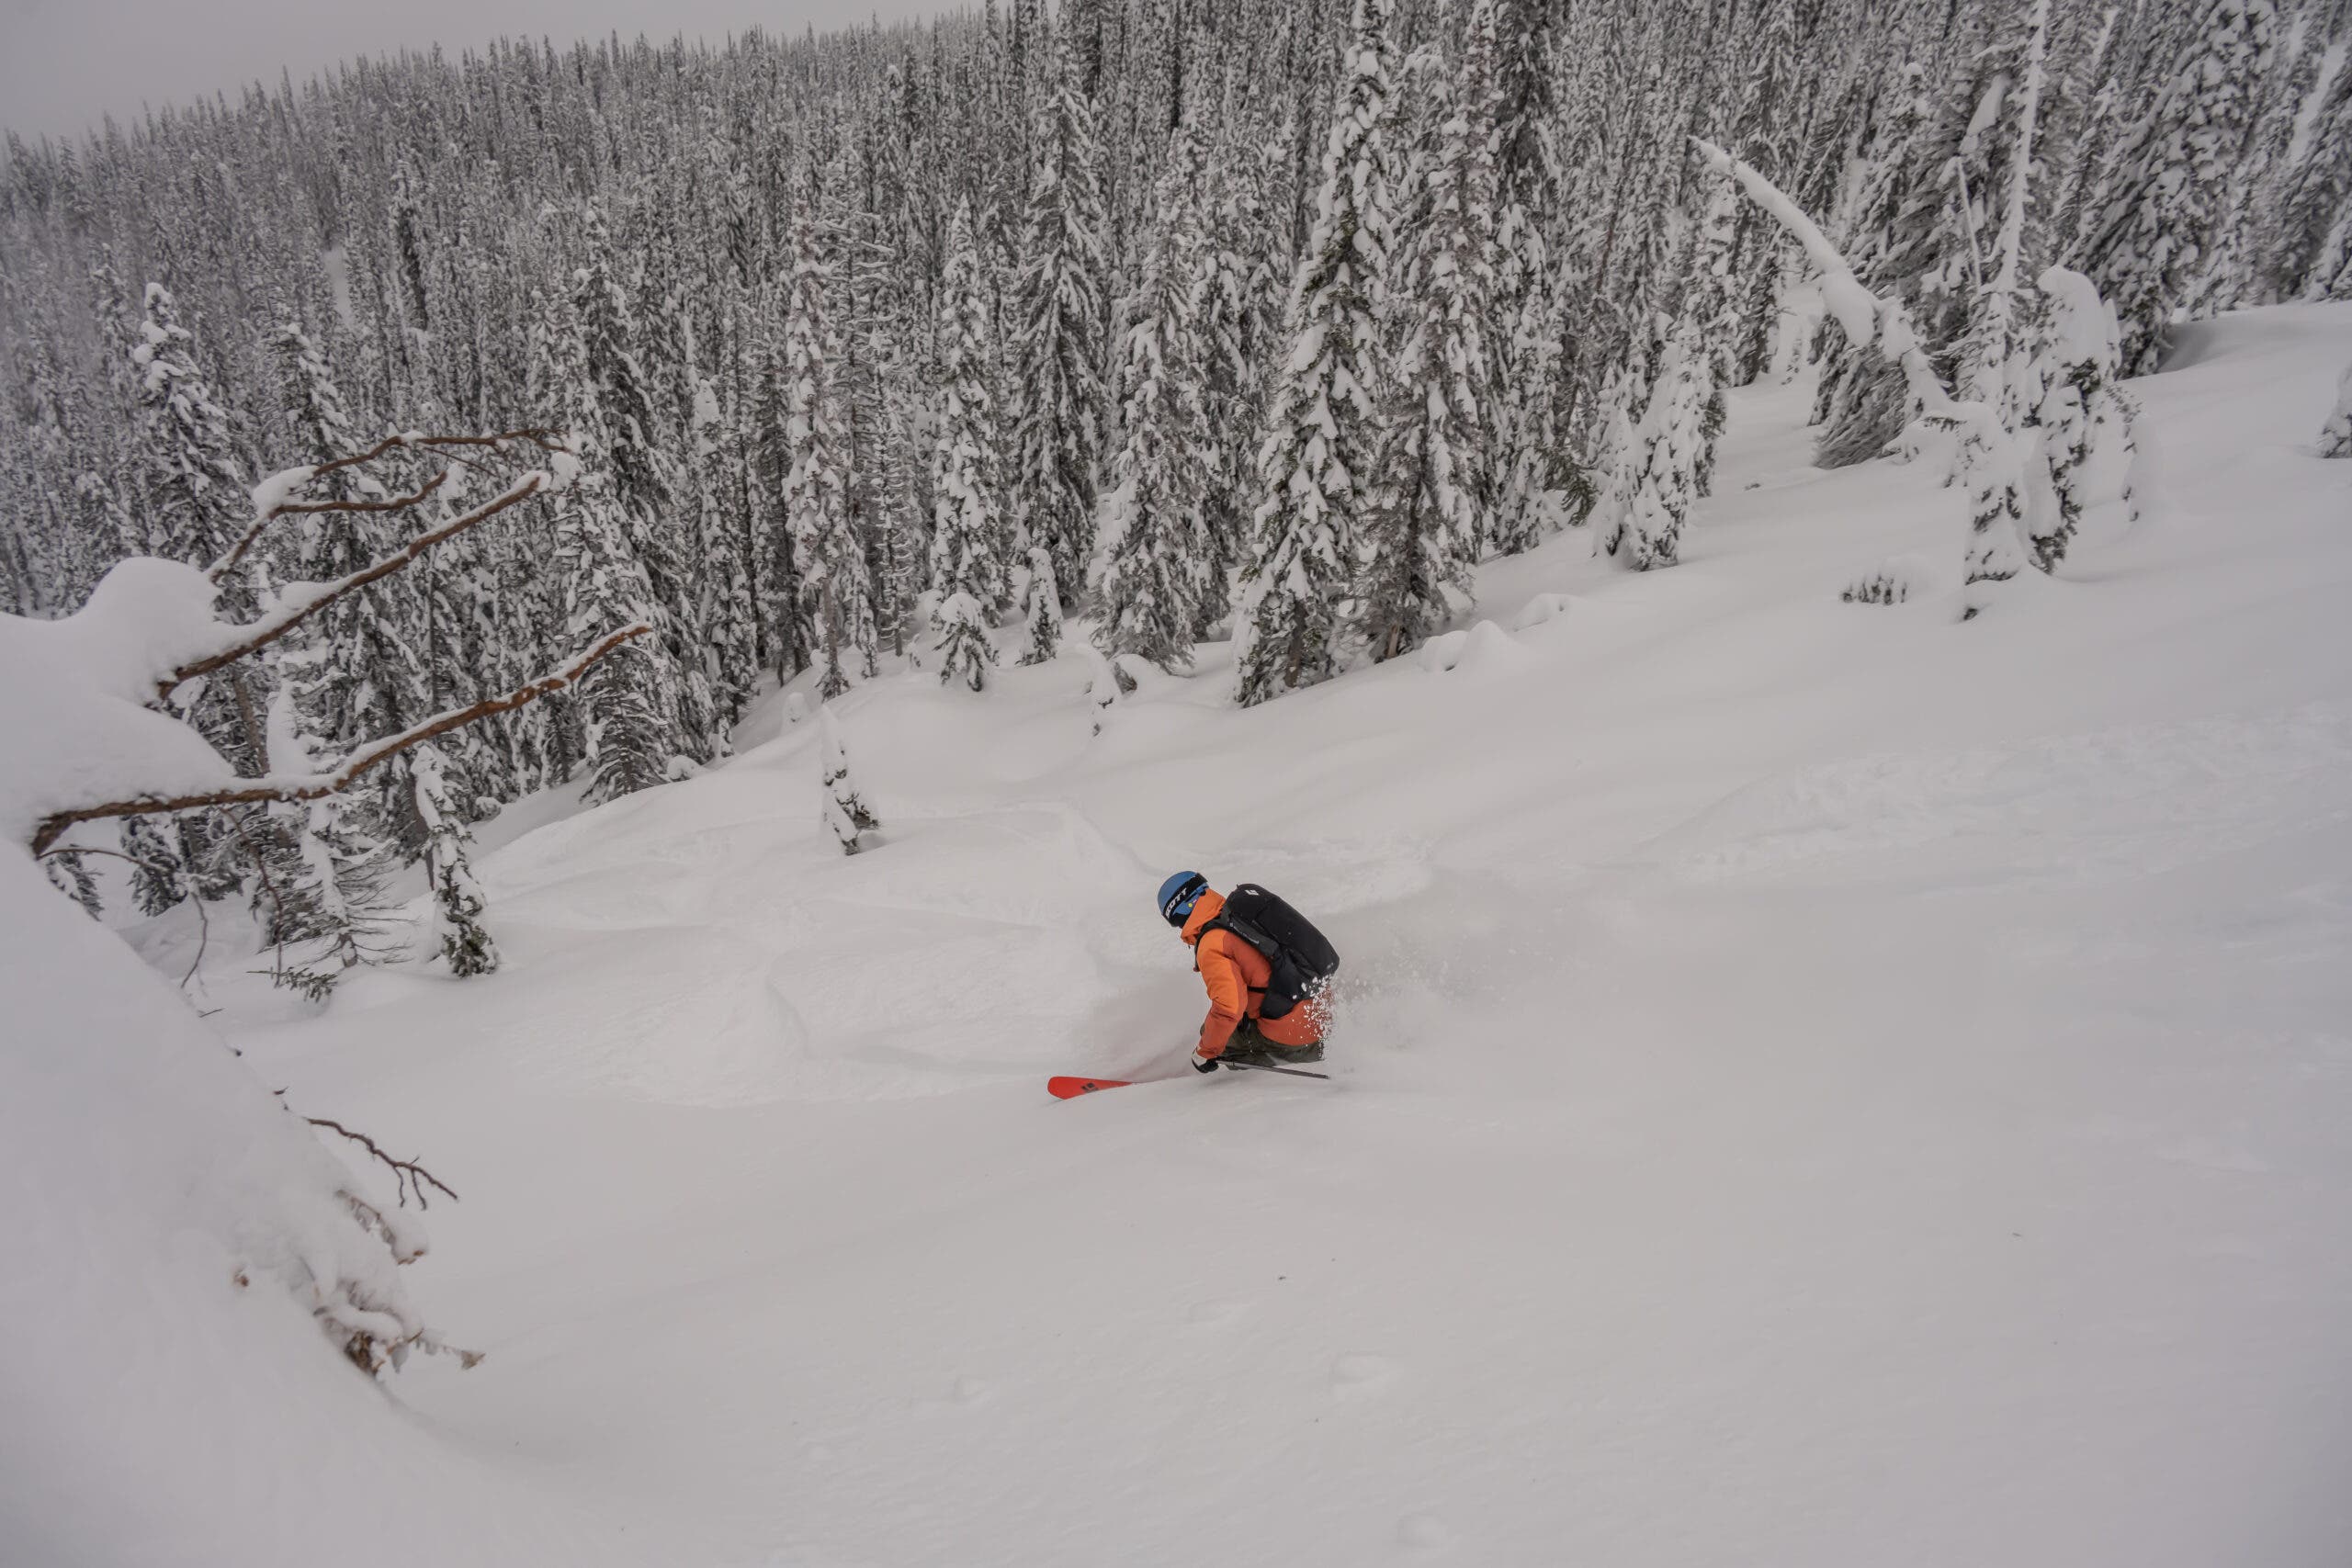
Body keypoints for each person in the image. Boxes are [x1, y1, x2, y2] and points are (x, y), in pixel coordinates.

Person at [1156, 871, 1328, 1074]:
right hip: (1322, 1009)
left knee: (1220, 1040)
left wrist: (1205, 1053)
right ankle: (1312, 1044)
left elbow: (1229, 1008)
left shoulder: (1212, 943)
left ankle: (1287, 1062)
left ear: (1179, 912)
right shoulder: (1240, 914)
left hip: (1295, 1032)